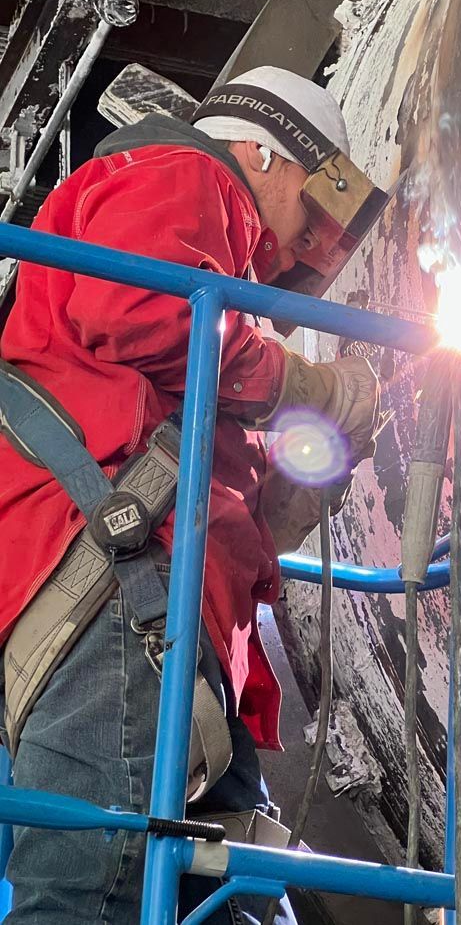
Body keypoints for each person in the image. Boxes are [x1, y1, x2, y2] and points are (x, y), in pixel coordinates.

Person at [0, 66, 381, 924]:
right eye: (306, 208)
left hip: (167, 618)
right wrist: (312, 385)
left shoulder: (215, 327)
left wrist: (301, 476)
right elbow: (139, 307)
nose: (297, 246)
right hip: (118, 597)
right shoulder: (190, 171)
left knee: (233, 896)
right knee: (97, 894)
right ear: (262, 151)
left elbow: (219, 484)